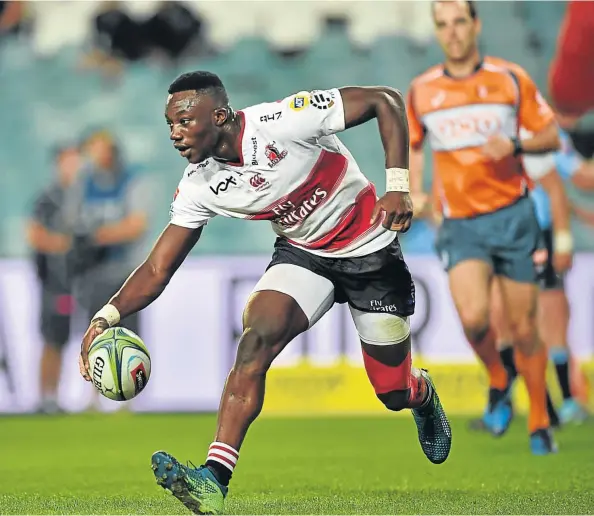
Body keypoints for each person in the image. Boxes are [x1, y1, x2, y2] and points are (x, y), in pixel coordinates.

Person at [79, 71, 452, 514]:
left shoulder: (285, 121)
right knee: (255, 340)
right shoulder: (200, 184)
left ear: (219, 115)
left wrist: (398, 188)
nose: (175, 134)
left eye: (184, 121)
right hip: (304, 256)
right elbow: (159, 267)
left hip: (370, 251)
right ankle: (213, 480)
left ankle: (420, 394)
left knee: (390, 392)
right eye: (170, 125)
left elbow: (385, 101)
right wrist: (106, 317)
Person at [407, 1, 560, 454]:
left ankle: (538, 422)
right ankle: (498, 375)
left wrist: (514, 142)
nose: (451, 33)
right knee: (474, 320)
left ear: (476, 25)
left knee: (525, 327)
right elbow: (415, 146)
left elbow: (550, 135)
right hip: (460, 223)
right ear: (436, 32)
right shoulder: (422, 90)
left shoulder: (510, 78)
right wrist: (416, 191)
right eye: (442, 25)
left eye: (459, 22)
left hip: (513, 216)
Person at [489, 128, 592, 425]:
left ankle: (569, 400)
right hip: (505, 237)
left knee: (552, 318)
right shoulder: (490, 133)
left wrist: (562, 241)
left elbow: (566, 183)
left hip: (539, 236)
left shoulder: (538, 135)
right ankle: (540, 403)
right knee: (509, 321)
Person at [75, 129, 149, 337]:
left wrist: (95, 237)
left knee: (128, 337)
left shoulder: (132, 180)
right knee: (95, 337)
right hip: (94, 275)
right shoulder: (84, 182)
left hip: (126, 275)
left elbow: (136, 225)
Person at [27, 144, 81, 414]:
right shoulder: (48, 198)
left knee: (78, 336)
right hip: (55, 282)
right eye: (68, 161)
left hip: (79, 281)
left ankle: (85, 399)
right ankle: (46, 396)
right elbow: (34, 234)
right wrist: (63, 244)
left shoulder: (85, 197)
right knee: (53, 338)